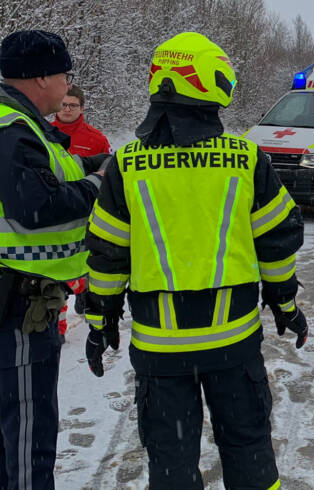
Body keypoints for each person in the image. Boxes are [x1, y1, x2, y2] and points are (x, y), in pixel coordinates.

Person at [84, 32, 307, 489]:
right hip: (234, 345)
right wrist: (286, 305)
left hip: (160, 352)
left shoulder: (127, 165)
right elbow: (279, 244)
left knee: (171, 462)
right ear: (209, 85)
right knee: (248, 453)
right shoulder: (244, 159)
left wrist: (99, 320)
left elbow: (107, 255)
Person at [0, 30, 106, 489]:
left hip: (22, 302)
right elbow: (36, 204)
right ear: (41, 77)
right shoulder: (11, 129)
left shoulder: (23, 126)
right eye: (65, 74)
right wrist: (99, 187)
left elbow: (55, 170)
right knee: (27, 439)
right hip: (18, 307)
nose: (68, 84)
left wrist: (101, 165)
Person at [51, 84, 111, 335]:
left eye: (72, 105)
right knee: (55, 271)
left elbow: (108, 175)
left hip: (87, 212)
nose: (66, 109)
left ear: (82, 108)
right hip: (55, 211)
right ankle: (58, 326)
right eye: (63, 104)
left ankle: (85, 291)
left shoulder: (95, 138)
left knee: (86, 260)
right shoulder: (44, 134)